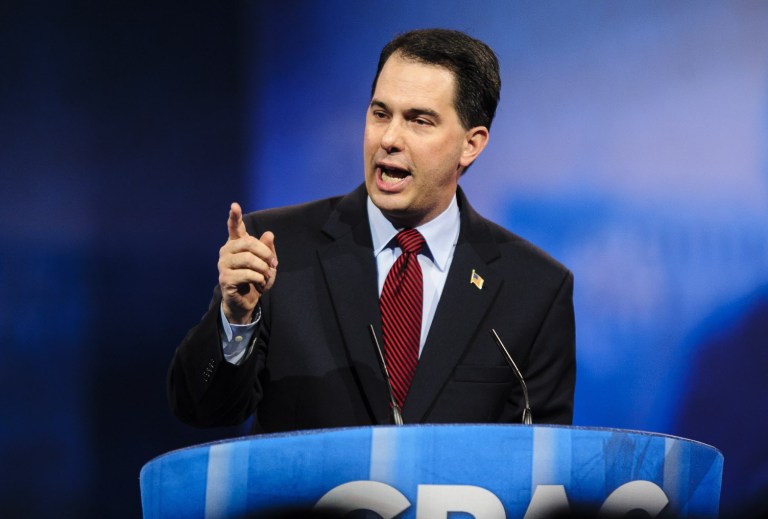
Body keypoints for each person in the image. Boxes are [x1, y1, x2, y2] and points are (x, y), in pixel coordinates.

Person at [168, 28, 575, 433]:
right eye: (380, 114)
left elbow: (542, 471)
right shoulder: (276, 248)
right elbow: (202, 411)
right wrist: (234, 319)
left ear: (471, 144)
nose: (389, 138)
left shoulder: (534, 288)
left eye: (419, 121)